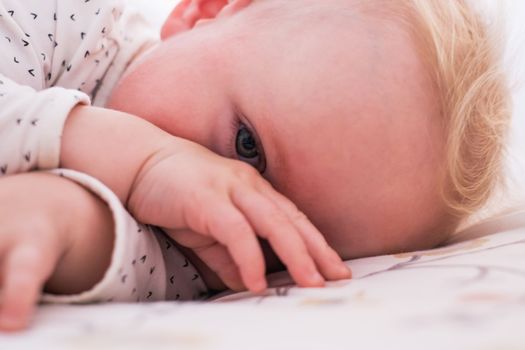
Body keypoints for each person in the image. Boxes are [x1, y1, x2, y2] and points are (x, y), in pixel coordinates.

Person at [0, 0, 509, 331]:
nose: (227, 200)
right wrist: (142, 159)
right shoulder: (64, 20)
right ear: (203, 13)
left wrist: (63, 213)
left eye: (280, 236)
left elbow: (114, 256)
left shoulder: (206, 250)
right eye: (247, 145)